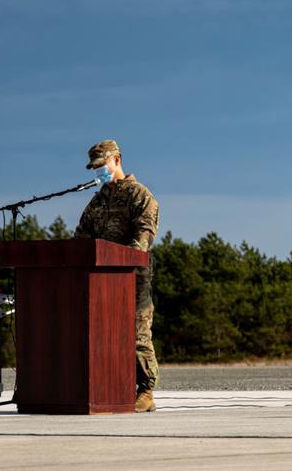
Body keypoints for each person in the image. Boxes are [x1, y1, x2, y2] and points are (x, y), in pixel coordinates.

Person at [75, 139, 161, 412]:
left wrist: (119, 263)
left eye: (102, 166)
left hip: (132, 279)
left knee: (136, 334)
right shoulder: (97, 201)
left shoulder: (140, 196)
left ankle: (146, 391)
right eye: (95, 168)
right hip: (99, 282)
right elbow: (81, 238)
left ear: (117, 160)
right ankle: (109, 387)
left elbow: (143, 239)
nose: (99, 172)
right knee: (103, 336)